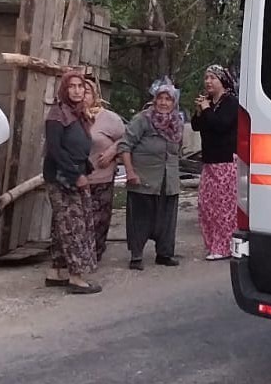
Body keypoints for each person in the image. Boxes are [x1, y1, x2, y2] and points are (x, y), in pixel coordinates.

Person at [43, 69, 101, 295]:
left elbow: (77, 145)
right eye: (72, 87)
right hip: (62, 177)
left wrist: (85, 166)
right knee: (74, 225)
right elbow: (55, 150)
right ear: (64, 89)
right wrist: (76, 175)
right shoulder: (57, 115)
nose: (77, 91)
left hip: (75, 171)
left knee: (62, 226)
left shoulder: (76, 113)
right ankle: (76, 278)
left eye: (81, 87)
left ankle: (57, 271)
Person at [120, 79, 184, 270]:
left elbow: (177, 151)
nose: (164, 103)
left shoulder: (177, 123)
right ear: (155, 100)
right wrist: (130, 172)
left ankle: (164, 254)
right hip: (144, 178)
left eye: (168, 99)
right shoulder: (143, 119)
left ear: (174, 103)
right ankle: (136, 256)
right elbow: (125, 145)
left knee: (167, 219)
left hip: (168, 180)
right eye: (160, 98)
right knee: (140, 218)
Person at [192, 64, 240, 261]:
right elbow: (197, 126)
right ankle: (212, 244)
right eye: (206, 78)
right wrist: (199, 110)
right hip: (209, 162)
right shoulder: (209, 103)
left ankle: (224, 246)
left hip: (225, 162)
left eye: (213, 78)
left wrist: (207, 110)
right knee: (206, 205)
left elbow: (220, 125)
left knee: (223, 208)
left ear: (223, 82)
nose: (208, 82)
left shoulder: (231, 103)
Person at [82, 77, 126, 264]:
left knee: (99, 220)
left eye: (87, 92)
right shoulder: (71, 117)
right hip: (77, 177)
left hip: (101, 176)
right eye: (79, 91)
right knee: (80, 220)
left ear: (95, 95)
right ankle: (80, 256)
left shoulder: (109, 118)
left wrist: (111, 151)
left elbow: (126, 139)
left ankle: (95, 254)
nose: (83, 95)